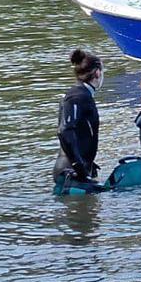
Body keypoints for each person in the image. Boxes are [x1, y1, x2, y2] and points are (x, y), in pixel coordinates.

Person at [53, 49, 107, 195]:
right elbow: (65, 131)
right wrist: (79, 165)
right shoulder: (77, 96)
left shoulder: (83, 94)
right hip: (70, 171)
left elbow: (81, 131)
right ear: (97, 73)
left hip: (77, 168)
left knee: (89, 213)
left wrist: (89, 161)